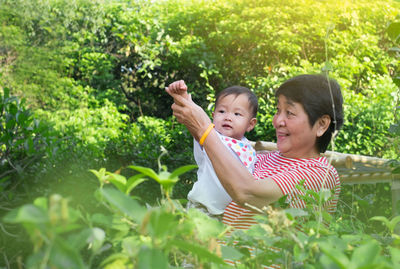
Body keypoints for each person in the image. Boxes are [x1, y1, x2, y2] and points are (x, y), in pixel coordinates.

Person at [166, 74, 344, 232]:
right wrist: (187, 107)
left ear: (321, 124)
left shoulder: (319, 172)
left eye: (289, 113)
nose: (277, 121)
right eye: (277, 110)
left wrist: (204, 129)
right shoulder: (260, 157)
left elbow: (249, 193)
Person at [166, 80, 258, 219]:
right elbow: (191, 117)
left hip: (231, 215)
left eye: (237, 114)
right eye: (222, 111)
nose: (228, 117)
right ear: (213, 116)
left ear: (250, 124)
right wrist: (183, 97)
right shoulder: (210, 137)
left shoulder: (247, 146)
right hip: (203, 210)